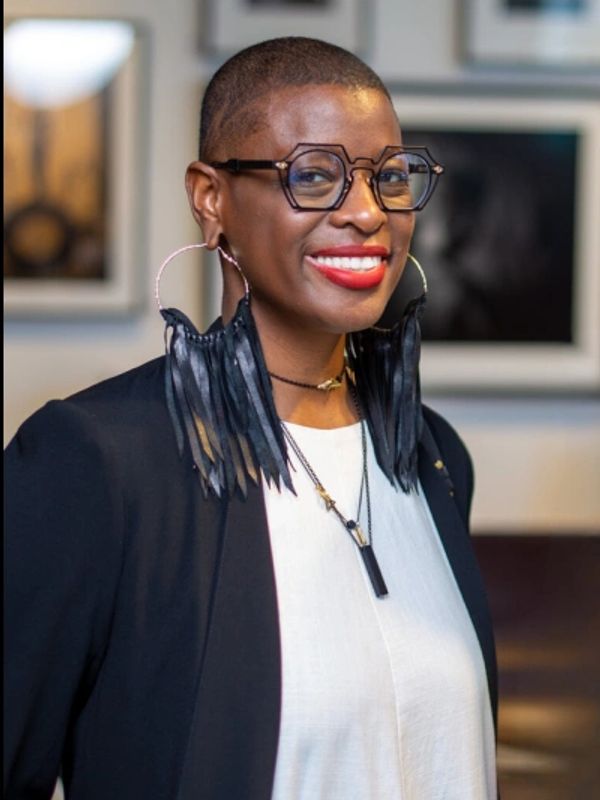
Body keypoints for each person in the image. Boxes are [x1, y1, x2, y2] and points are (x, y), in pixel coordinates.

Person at [4, 37, 498, 800]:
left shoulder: (431, 456)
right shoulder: (98, 461)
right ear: (211, 198)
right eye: (314, 175)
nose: (367, 212)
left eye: (390, 177)